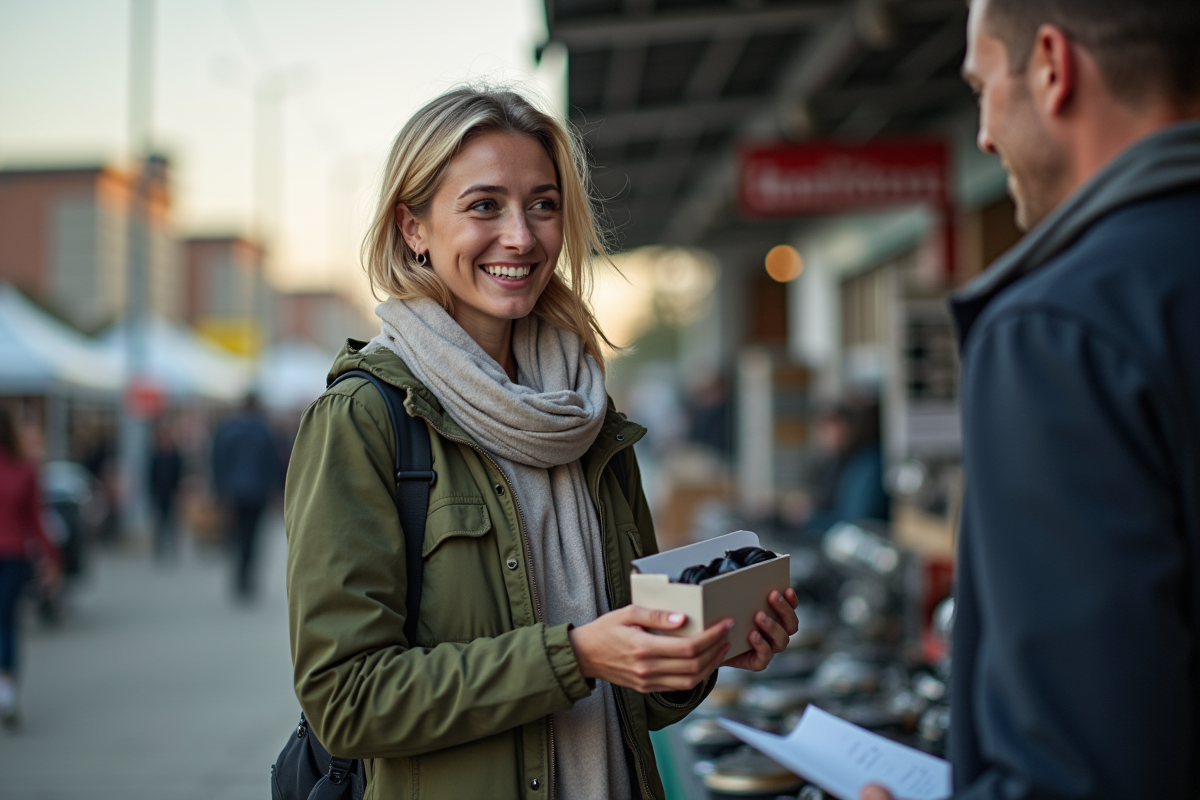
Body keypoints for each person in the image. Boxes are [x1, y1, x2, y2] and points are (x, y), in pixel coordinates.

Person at [284, 87, 801, 800]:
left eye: (543, 205)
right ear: (413, 227)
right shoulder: (363, 419)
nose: (522, 237)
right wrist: (576, 656)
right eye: (484, 206)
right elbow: (345, 700)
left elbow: (642, 700)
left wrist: (704, 651)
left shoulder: (588, 417)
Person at [864, 1, 1200, 798]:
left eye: (982, 88)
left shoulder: (1055, 331)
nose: (983, 135)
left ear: (1052, 65)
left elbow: (1077, 775)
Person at [0, 406, 60, 729]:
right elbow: (38, 519)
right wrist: (50, 558)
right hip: (14, 553)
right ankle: (6, 689)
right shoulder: (24, 468)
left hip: (12, 552)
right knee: (7, 621)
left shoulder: (25, 468)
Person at [211, 394, 283, 600]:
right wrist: (276, 489)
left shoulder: (228, 429)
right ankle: (248, 577)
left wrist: (219, 489)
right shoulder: (264, 430)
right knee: (253, 535)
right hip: (259, 492)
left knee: (238, 534)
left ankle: (239, 576)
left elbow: (219, 460)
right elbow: (273, 463)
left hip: (234, 491)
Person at [805, 398, 890, 533]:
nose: (825, 436)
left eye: (830, 427)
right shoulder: (839, 462)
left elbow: (856, 522)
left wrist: (809, 517)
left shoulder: (866, 462)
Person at [147, 419, 183, 563]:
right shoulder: (156, 455)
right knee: (160, 521)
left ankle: (172, 546)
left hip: (171, 492)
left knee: (172, 521)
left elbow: (178, 474)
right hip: (160, 492)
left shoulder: (174, 455)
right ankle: (159, 547)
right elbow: (151, 476)